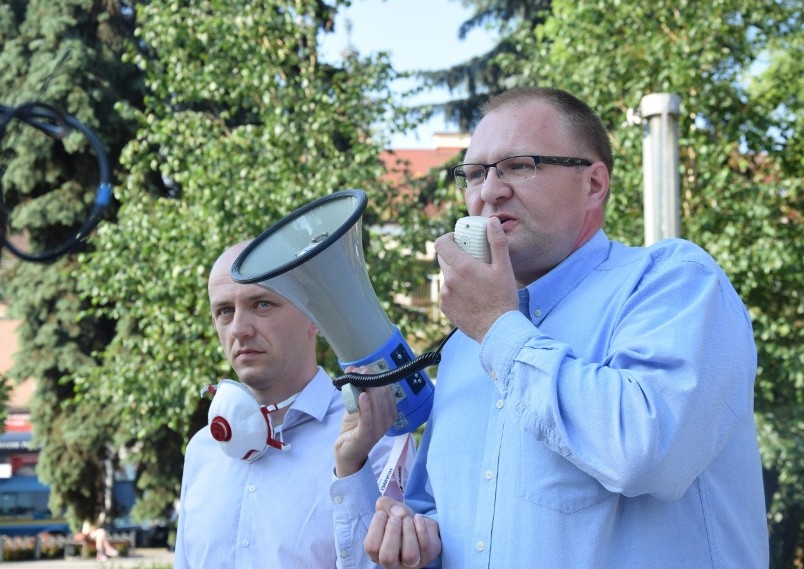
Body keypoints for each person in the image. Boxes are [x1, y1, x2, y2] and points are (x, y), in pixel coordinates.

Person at [332, 87, 769, 568]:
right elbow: (436, 517)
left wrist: (498, 326)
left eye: (520, 165)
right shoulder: (465, 345)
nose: (488, 191)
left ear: (594, 184)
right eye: (474, 174)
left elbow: (648, 451)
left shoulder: (673, 280)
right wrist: (412, 541)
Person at [174, 241, 410, 568]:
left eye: (262, 304)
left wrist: (352, 470)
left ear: (315, 316)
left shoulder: (376, 435)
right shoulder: (203, 449)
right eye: (225, 311)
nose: (239, 330)